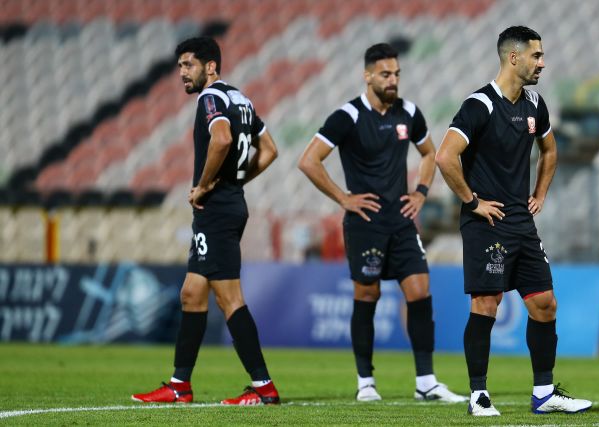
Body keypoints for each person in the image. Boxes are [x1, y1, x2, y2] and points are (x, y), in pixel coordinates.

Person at [435, 26, 592, 416]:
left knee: (545, 304)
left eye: (542, 56)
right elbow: (445, 156)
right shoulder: (480, 105)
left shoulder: (535, 103)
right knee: (486, 304)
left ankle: (544, 394)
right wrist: (472, 202)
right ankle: (478, 395)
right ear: (513, 57)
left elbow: (549, 150)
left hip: (521, 222)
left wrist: (540, 193)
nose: (543, 63)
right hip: (486, 223)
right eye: (536, 55)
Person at [298, 43, 466, 403]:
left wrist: (421, 191)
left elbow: (430, 154)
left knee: (420, 290)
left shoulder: (409, 113)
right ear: (368, 76)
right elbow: (309, 160)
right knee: (367, 294)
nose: (393, 80)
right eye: (385, 74)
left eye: (397, 74)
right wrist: (343, 198)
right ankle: (365, 382)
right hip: (365, 223)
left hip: (401, 221)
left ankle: (426, 382)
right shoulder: (348, 116)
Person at [132, 37, 279, 405]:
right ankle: (179, 385)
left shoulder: (210, 98)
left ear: (210, 67)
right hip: (226, 204)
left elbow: (222, 139)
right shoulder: (241, 99)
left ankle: (264, 387)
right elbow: (270, 150)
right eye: (180, 66)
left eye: (189, 65)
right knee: (192, 293)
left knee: (229, 299)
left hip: (216, 210)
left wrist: (206, 184)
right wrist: (236, 181)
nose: (182, 72)